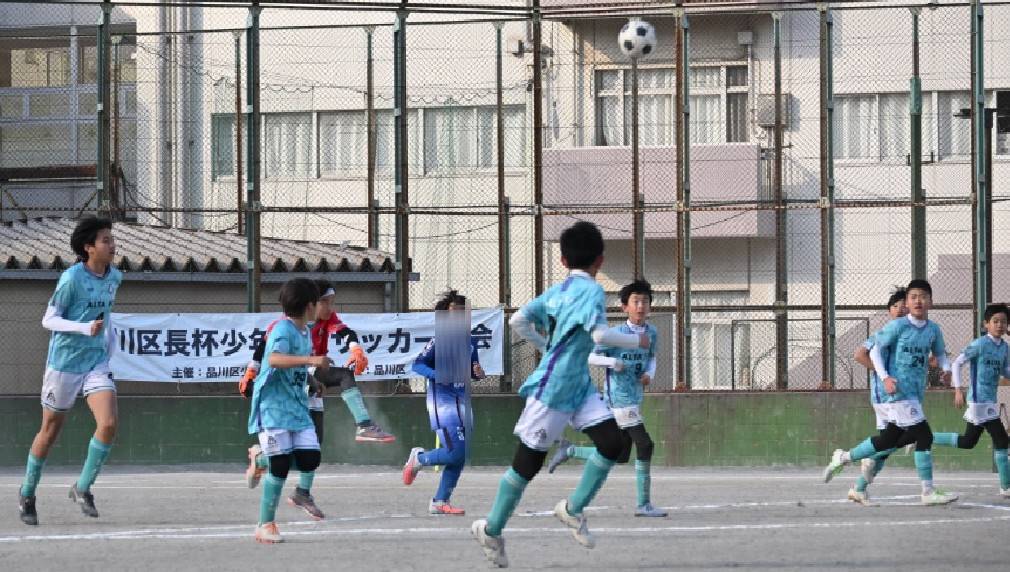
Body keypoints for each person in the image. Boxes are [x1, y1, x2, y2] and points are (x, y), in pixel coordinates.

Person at [471, 221, 649, 568]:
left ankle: (572, 509)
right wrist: (635, 340)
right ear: (600, 260)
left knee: (613, 443)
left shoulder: (556, 291)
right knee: (528, 463)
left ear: (564, 261)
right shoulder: (593, 291)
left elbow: (518, 321)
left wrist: (546, 346)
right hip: (553, 389)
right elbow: (599, 336)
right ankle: (490, 530)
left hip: (577, 385)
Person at [18, 216, 122, 526]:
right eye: (105, 240)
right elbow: (48, 319)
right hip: (64, 364)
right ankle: (27, 492)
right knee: (49, 432)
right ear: (89, 247)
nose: (112, 245)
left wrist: (109, 343)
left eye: (112, 239)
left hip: (95, 361)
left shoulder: (115, 277)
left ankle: (83, 487)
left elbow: (106, 316)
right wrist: (83, 328)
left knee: (109, 423)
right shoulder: (71, 279)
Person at [822, 279, 957, 506]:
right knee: (923, 435)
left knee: (889, 441)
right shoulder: (895, 327)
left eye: (923, 297)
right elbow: (869, 352)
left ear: (931, 302)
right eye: (913, 297)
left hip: (914, 394)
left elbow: (940, 354)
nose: (917, 301)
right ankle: (928, 491)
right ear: (906, 303)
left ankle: (847, 463)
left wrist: (946, 370)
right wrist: (885, 377)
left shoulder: (933, 330)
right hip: (894, 394)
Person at [547, 279, 667, 517]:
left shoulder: (652, 333)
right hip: (619, 398)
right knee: (645, 444)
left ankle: (570, 451)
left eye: (645, 301)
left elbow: (652, 357)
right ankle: (643, 505)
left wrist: (649, 374)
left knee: (620, 455)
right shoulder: (615, 335)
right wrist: (613, 362)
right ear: (624, 307)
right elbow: (590, 357)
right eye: (635, 301)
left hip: (634, 397)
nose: (641, 306)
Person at [248, 278, 329, 544]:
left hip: (296, 406)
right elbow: (274, 359)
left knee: (310, 459)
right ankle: (265, 524)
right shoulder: (283, 329)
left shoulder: (304, 331)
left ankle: (261, 459)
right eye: (318, 302)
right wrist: (311, 360)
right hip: (273, 407)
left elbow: (295, 367)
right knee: (281, 467)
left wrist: (311, 380)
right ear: (310, 305)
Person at [402, 290, 484, 515]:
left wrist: (478, 373)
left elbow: (473, 371)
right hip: (443, 403)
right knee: (455, 452)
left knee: (461, 454)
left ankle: (440, 501)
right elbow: (418, 364)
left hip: (463, 402)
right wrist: (437, 375)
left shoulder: (470, 342)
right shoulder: (439, 341)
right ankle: (419, 458)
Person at [932, 303, 1010, 497]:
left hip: (989, 401)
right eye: (995, 321)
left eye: (1003, 322)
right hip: (978, 401)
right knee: (1001, 439)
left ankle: (923, 437)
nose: (1000, 325)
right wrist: (958, 390)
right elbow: (957, 363)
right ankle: (1006, 486)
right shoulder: (980, 344)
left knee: (968, 441)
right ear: (986, 324)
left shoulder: (1004, 347)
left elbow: (1006, 371)